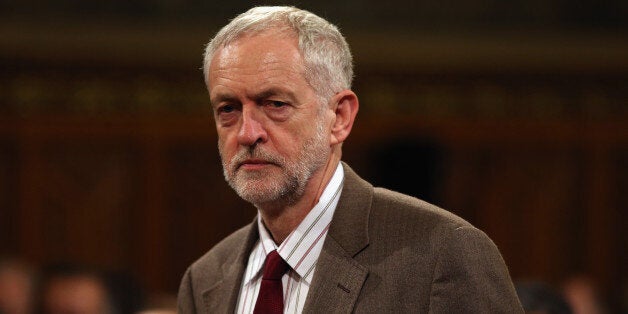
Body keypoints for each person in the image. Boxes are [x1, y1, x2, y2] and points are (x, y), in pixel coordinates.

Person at [178, 6, 523, 313]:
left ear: (339, 117)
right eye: (228, 109)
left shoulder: (442, 255)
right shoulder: (205, 281)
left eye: (275, 104)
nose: (247, 133)